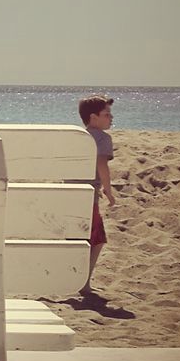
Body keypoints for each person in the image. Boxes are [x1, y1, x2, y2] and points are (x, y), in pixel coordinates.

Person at [79, 94, 117, 295]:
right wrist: (108, 191)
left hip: (72, 192)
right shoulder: (102, 138)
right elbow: (101, 164)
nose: (111, 118)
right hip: (87, 196)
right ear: (93, 117)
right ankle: (83, 283)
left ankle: (79, 280)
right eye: (107, 114)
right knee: (97, 240)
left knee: (80, 238)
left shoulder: (79, 136)